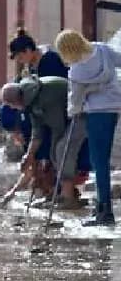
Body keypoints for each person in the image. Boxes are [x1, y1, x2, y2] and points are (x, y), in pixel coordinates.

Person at [55, 29, 121, 227]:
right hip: (115, 106)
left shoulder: (76, 71)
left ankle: (104, 211)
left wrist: (73, 109)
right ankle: (102, 207)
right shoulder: (102, 50)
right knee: (104, 160)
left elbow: (74, 103)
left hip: (96, 114)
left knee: (99, 162)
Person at [0, 77, 87, 208]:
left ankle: (68, 197)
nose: (14, 108)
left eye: (12, 105)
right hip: (68, 116)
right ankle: (60, 193)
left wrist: (53, 153)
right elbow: (37, 131)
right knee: (55, 152)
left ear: (17, 100)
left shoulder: (44, 95)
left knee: (62, 150)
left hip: (83, 111)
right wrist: (29, 156)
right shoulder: (30, 102)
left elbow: (58, 127)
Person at [0, 29, 70, 165]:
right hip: (42, 110)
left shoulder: (49, 61)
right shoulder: (30, 68)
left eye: (20, 57)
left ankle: (43, 163)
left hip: (57, 109)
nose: (21, 61)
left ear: (28, 50)